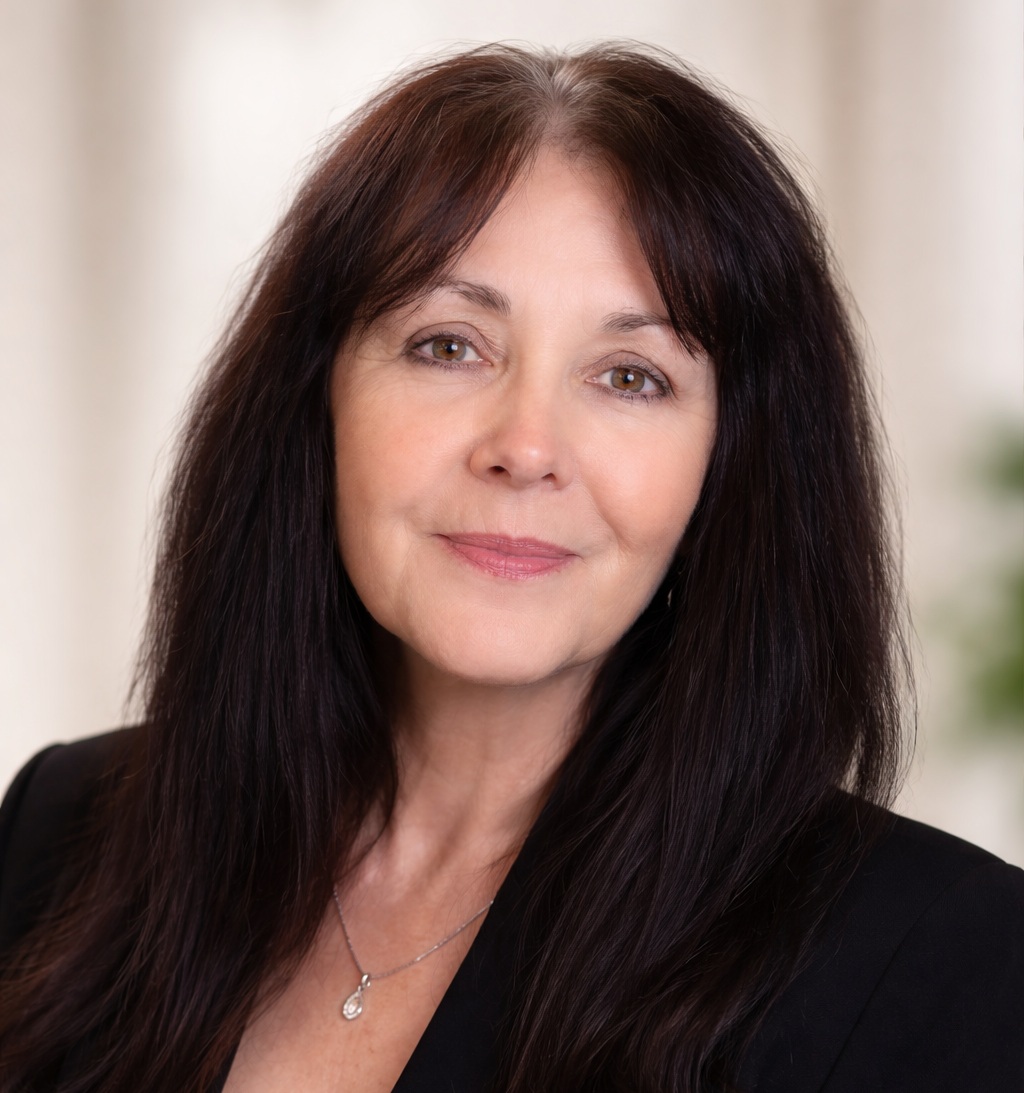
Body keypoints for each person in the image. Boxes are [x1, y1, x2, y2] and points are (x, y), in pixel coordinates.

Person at [0, 43, 1021, 1093]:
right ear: (316, 404)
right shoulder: (62, 834)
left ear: (733, 465)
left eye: (630, 375)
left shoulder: (943, 962)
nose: (525, 445)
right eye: (449, 345)